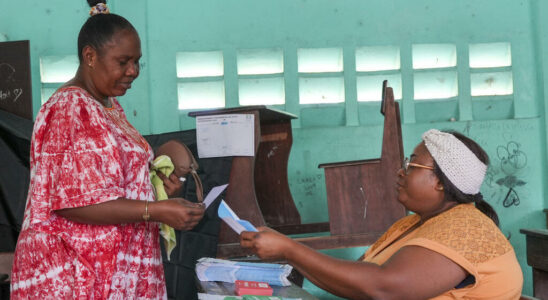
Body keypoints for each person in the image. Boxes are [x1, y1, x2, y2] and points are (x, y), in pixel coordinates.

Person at [10, 1, 205, 299]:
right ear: (90, 56)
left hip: (117, 269)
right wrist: (154, 210)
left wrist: (161, 193)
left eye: (138, 61)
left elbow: (114, 187)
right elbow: (71, 202)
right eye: (123, 61)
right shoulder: (70, 108)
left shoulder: (109, 107)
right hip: (79, 275)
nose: (133, 71)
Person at [241, 129, 523, 300]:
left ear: (440, 180)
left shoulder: (467, 228)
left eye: (412, 165)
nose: (401, 171)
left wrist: (291, 250)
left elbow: (384, 289)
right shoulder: (410, 224)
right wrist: (286, 253)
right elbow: (356, 282)